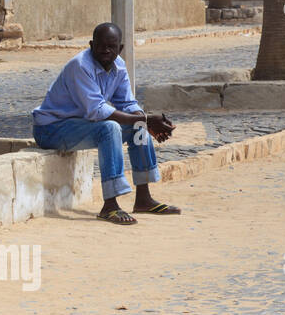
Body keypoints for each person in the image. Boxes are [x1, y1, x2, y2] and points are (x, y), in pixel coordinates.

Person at [32, 22, 181, 225]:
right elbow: (98, 111)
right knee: (110, 128)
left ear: (120, 48)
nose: (106, 50)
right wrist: (146, 119)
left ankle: (143, 199)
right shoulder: (80, 66)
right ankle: (110, 206)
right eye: (101, 45)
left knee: (139, 126)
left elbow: (128, 103)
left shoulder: (119, 66)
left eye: (112, 46)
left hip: (80, 126)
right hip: (52, 129)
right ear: (92, 45)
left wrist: (145, 122)